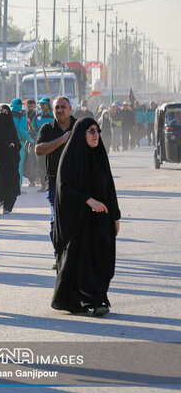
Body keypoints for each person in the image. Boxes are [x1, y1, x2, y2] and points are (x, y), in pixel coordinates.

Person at [52, 117, 120, 316]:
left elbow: (109, 187)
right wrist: (88, 200)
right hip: (78, 220)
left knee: (100, 257)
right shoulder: (71, 156)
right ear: (81, 133)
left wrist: (115, 216)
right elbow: (64, 187)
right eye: (90, 131)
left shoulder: (100, 155)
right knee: (79, 259)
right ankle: (89, 300)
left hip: (101, 220)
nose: (95, 134)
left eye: (97, 130)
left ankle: (98, 298)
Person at [35, 96, 76, 268]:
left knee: (75, 222)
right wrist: (61, 140)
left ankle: (74, 255)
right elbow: (39, 150)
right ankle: (59, 254)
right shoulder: (47, 128)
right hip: (54, 183)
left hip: (77, 183)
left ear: (70, 108)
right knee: (55, 222)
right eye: (57, 107)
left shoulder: (80, 127)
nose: (60, 110)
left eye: (63, 107)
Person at [0, 105, 20, 214]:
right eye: (1, 111)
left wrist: (13, 146)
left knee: (10, 180)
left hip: (9, 159)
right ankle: (0, 200)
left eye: (6, 112)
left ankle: (8, 205)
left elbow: (17, 143)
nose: (3, 114)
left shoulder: (11, 126)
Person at [11, 98, 34, 189]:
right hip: (18, 144)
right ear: (20, 106)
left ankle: (9, 187)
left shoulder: (6, 115)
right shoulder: (21, 116)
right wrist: (30, 140)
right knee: (19, 166)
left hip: (6, 144)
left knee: (9, 166)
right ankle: (17, 188)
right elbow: (21, 131)